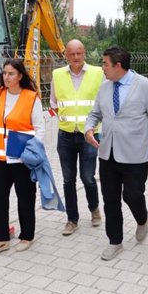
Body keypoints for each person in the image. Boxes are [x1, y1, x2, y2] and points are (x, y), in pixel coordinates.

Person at [84, 46, 148, 261]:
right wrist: (89, 129)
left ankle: (142, 219)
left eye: (105, 64)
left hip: (136, 155)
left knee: (132, 195)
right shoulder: (104, 87)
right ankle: (115, 241)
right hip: (107, 153)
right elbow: (95, 114)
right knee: (110, 199)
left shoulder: (146, 86)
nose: (102, 68)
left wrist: (142, 138)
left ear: (118, 66)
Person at [0, 58, 44, 255]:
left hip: (21, 158)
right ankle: (0, 239)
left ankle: (27, 236)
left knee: (25, 198)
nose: (6, 77)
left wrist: (33, 149)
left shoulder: (31, 97)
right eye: (5, 73)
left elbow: (40, 129)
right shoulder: (1, 94)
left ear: (20, 76)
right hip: (0, 158)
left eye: (10, 74)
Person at [50, 39, 104, 236]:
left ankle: (94, 209)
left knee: (88, 177)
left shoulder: (97, 73)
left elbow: (102, 102)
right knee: (68, 179)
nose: (75, 58)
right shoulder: (57, 75)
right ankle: (72, 219)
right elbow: (54, 104)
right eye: (71, 54)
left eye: (79, 53)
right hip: (65, 136)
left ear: (84, 53)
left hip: (89, 135)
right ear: (66, 55)